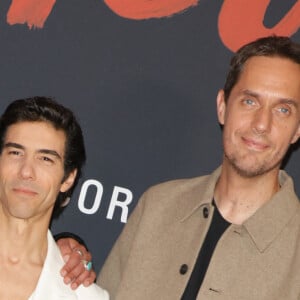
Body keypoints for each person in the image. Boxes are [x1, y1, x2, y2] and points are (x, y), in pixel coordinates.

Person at [59, 35, 300, 299]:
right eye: (250, 101)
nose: (262, 123)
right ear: (222, 107)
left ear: (297, 129)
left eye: (283, 110)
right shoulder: (158, 206)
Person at [0, 96, 109, 299]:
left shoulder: (86, 297)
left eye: (45, 159)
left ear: (68, 178)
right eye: (15, 152)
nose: (26, 171)